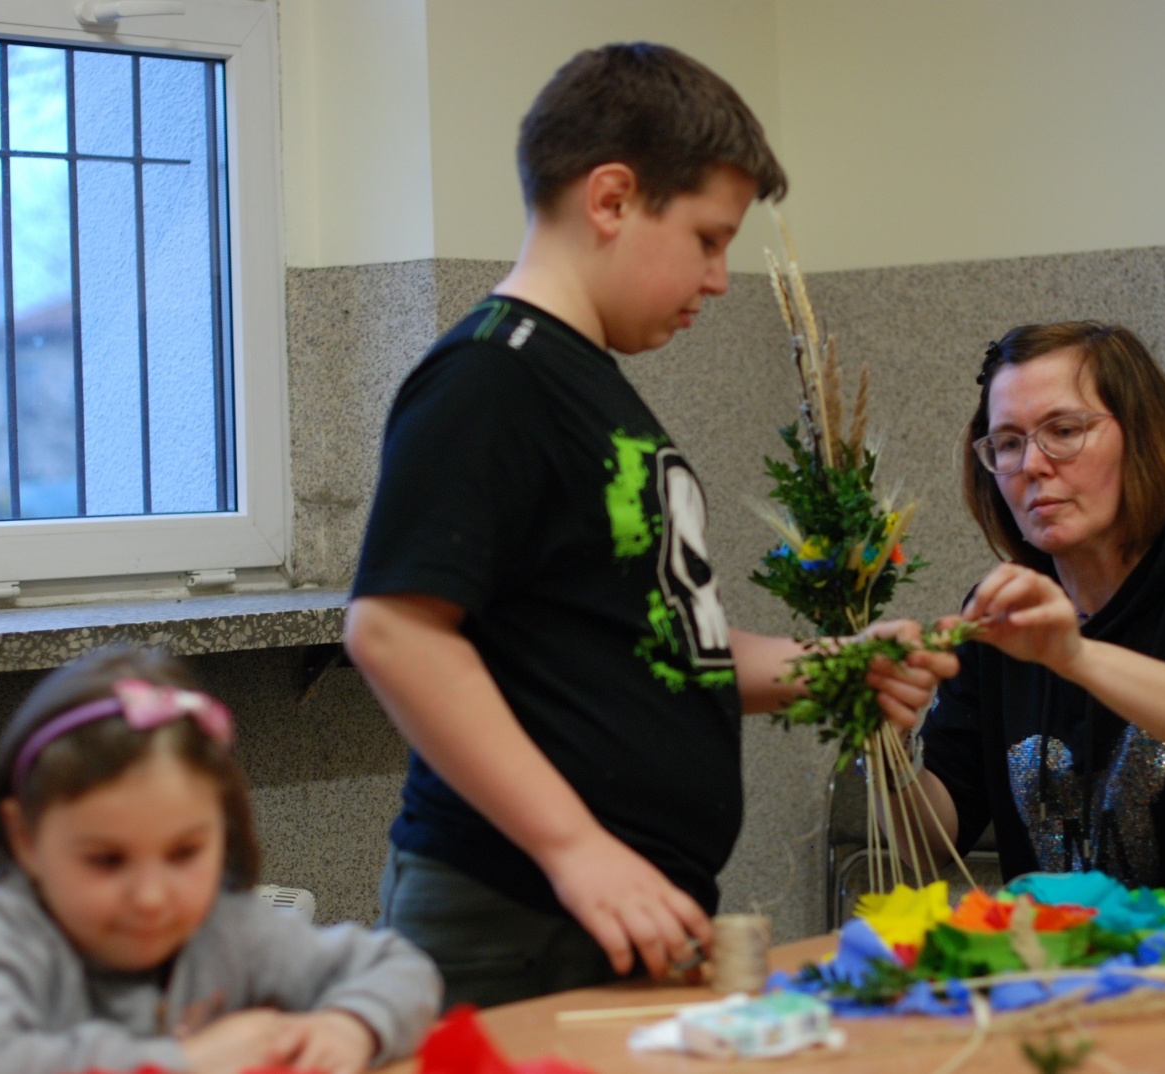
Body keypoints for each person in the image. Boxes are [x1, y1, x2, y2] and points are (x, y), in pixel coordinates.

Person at [344, 42, 930, 1008]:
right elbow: (395, 628)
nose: (719, 279)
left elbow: (654, 648)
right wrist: (576, 850)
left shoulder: (591, 387)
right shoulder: (491, 377)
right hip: (513, 915)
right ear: (611, 200)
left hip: (609, 910)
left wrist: (833, 665)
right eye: (708, 238)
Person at [890, 321, 1165, 910]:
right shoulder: (1003, 613)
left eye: (1063, 430)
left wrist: (1074, 656)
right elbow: (932, 844)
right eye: (1007, 443)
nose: (1032, 464)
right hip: (1078, 976)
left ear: (1141, 435)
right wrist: (888, 738)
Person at [0, 647, 440, 1074]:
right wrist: (191, 1062)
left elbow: (400, 968)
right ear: (24, 839)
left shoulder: (227, 927)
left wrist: (350, 1026)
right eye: (107, 861)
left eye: (185, 853)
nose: (152, 897)